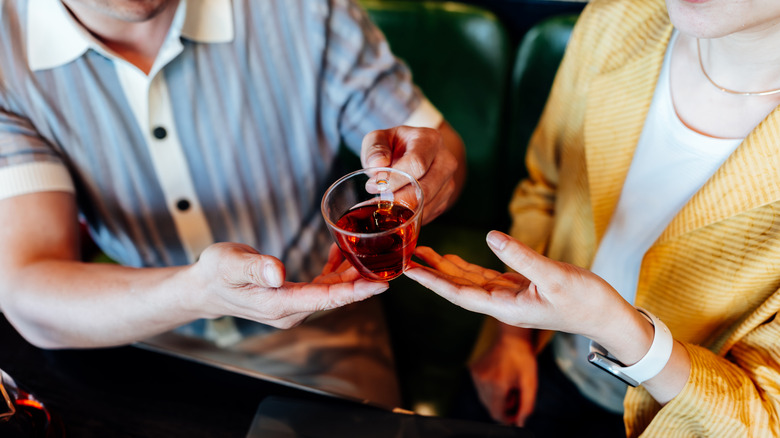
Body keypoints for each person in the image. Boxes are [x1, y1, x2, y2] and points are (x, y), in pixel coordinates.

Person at [0, 0, 466, 408]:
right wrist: (199, 292)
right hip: (138, 350)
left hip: (325, 342)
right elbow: (28, 287)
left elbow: (439, 148)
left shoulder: (304, 11)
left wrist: (432, 167)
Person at [404, 0, 780, 436]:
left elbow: (762, 417)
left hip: (674, 417)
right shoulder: (616, 20)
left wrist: (615, 326)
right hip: (540, 353)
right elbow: (544, 187)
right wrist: (509, 336)